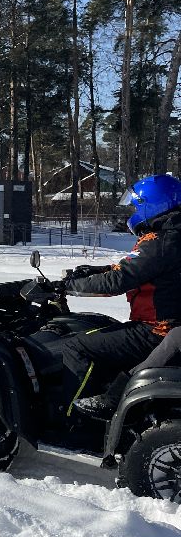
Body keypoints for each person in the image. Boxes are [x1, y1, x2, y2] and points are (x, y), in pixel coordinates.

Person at [62, 174, 181, 419]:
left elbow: (118, 281)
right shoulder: (173, 236)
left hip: (158, 330)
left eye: (136, 205)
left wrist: (70, 286)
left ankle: (72, 417)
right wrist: (95, 271)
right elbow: (138, 270)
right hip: (171, 327)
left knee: (76, 345)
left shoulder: (162, 241)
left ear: (153, 204)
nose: (133, 210)